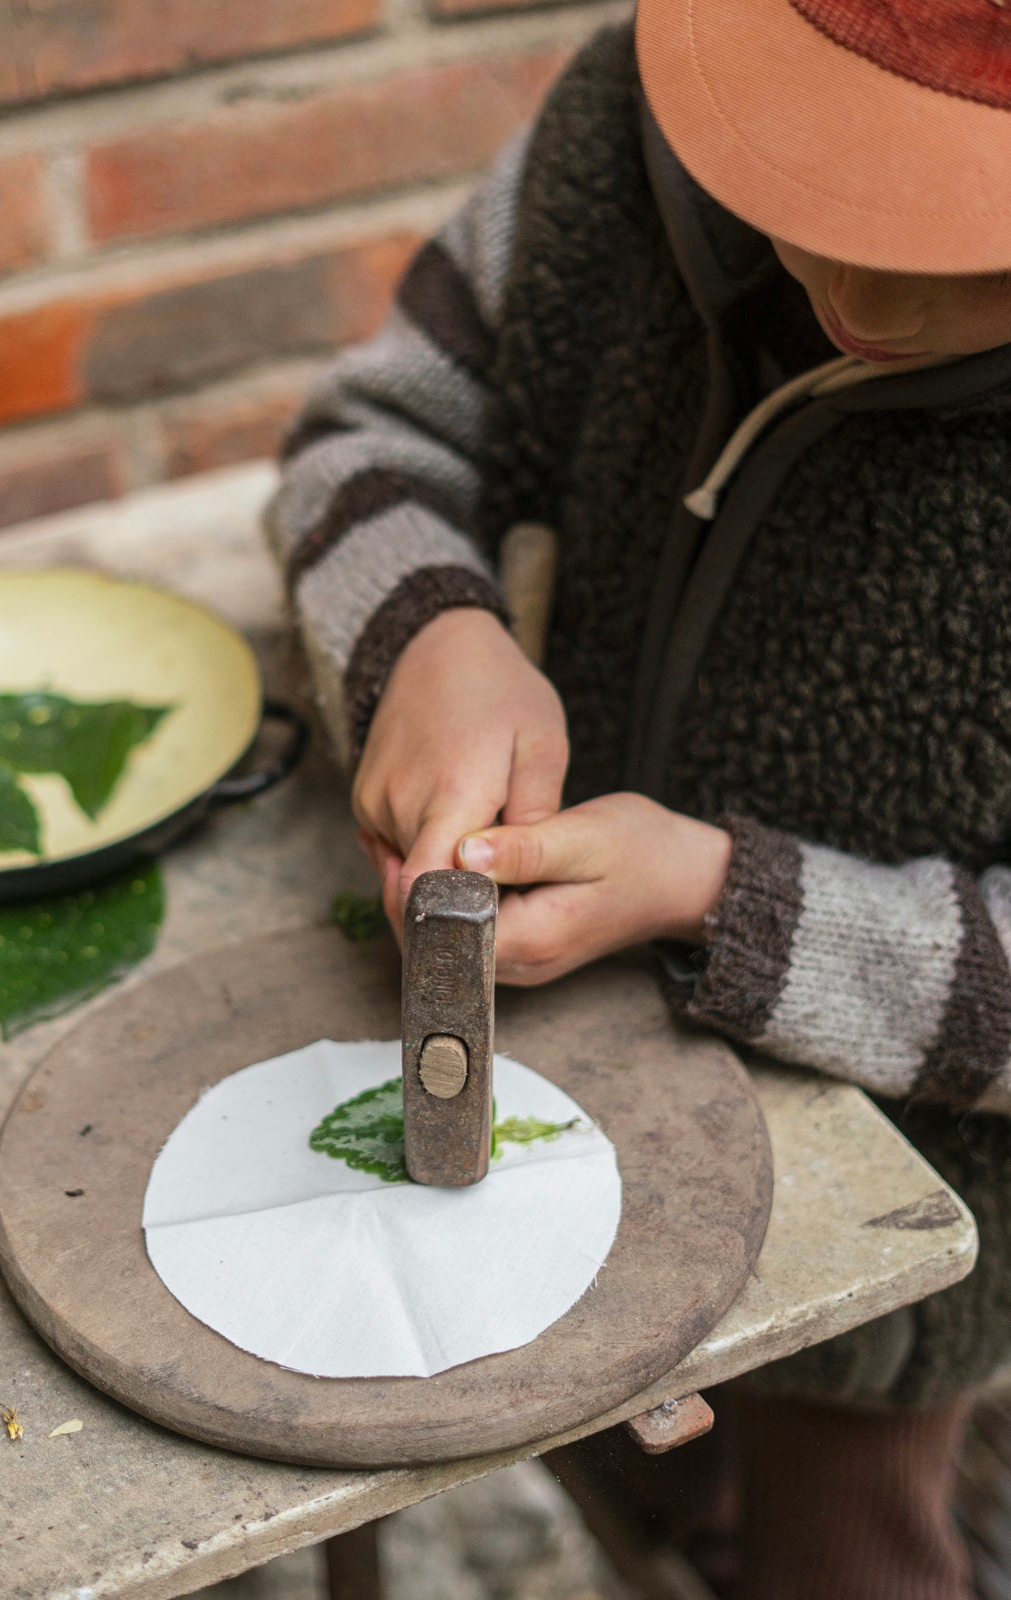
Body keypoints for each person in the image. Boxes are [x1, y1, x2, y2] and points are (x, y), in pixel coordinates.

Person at [268, 0, 1011, 1595]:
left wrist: (717, 897)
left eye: (964, 239)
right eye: (811, 185)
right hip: (578, 1090)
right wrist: (426, 638)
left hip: (901, 1229)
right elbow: (370, 433)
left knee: (846, 1535)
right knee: (635, 1449)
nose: (856, 289)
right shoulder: (619, 136)